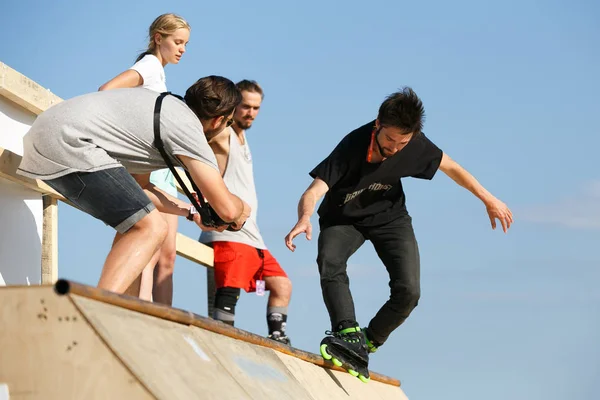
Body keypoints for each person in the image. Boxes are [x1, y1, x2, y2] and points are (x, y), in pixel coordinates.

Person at [284, 87, 513, 382]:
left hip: (390, 219)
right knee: (329, 259)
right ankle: (346, 330)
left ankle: (367, 342)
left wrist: (488, 199)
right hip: (343, 220)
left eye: (401, 143)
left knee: (409, 291)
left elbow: (452, 167)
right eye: (389, 139)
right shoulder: (352, 146)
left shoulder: (416, 145)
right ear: (377, 124)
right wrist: (304, 217)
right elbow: (315, 189)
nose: (393, 148)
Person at [17, 76, 251, 296]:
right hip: (69, 144)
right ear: (218, 120)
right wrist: (242, 208)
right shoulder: (188, 129)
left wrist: (190, 211)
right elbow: (228, 210)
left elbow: (141, 189)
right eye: (229, 122)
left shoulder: (164, 108)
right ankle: (98, 308)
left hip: (47, 136)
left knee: (138, 222)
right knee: (152, 228)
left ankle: (119, 309)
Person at [98, 13, 191, 304]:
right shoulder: (149, 65)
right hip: (145, 166)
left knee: (167, 254)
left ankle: (157, 318)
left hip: (160, 168)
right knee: (147, 244)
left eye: (185, 44)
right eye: (177, 42)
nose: (182, 49)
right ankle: (139, 310)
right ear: (158, 38)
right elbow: (106, 92)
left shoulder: (159, 72)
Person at [200, 80, 293, 345]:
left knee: (281, 285)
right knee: (229, 289)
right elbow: (195, 140)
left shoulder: (243, 137)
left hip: (253, 236)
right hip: (230, 233)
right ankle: (222, 338)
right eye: (245, 106)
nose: (250, 112)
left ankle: (278, 337)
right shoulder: (222, 133)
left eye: (256, 108)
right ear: (232, 105)